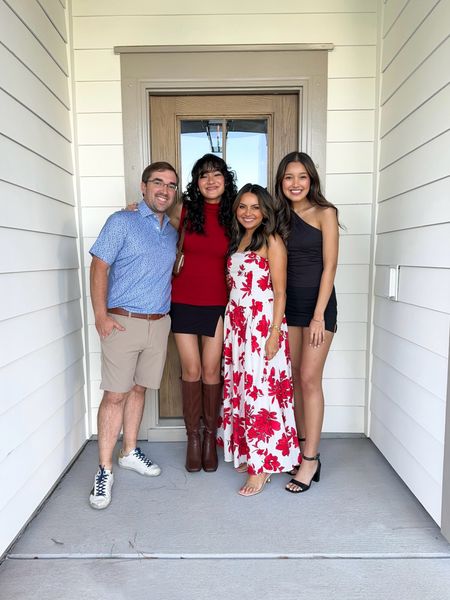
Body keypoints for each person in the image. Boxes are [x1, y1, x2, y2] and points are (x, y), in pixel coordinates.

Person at [88, 161, 179, 509]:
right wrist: (101, 316)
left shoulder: (171, 230)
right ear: (143, 187)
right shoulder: (121, 221)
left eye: (171, 185)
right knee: (115, 395)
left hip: (159, 323)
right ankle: (104, 470)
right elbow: (100, 265)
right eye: (158, 182)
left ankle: (128, 452)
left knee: (139, 389)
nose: (164, 190)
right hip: (122, 322)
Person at [217, 184, 300, 496]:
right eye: (242, 207)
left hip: (262, 325)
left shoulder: (272, 240)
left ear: (265, 211)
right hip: (238, 326)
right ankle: (248, 451)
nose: (248, 213)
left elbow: (280, 291)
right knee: (242, 387)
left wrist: (274, 333)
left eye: (254, 207)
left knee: (260, 392)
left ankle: (261, 467)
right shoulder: (240, 239)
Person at [274, 151, 339, 494]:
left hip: (318, 308)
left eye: (301, 176)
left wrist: (318, 316)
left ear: (311, 179)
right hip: (288, 308)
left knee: (311, 379)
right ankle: (300, 449)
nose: (295, 183)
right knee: (296, 380)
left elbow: (330, 266)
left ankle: (311, 459)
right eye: (288, 177)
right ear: (281, 182)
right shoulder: (278, 216)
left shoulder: (325, 213)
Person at [170, 154, 237, 473]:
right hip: (182, 299)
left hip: (217, 302)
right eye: (203, 176)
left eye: (217, 175)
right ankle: (193, 439)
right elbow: (152, 213)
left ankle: (211, 437)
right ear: (196, 182)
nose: (211, 181)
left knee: (212, 371)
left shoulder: (236, 213)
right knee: (191, 370)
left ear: (226, 179)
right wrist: (133, 208)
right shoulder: (183, 210)